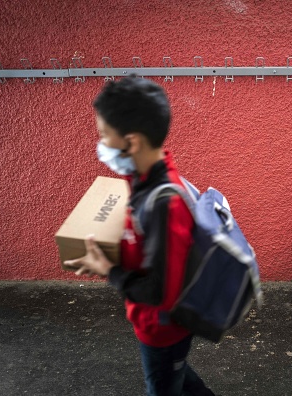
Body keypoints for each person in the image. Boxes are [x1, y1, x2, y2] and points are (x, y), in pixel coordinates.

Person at [64, 76, 216, 396]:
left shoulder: (164, 203)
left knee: (162, 384)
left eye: (104, 135)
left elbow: (159, 291)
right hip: (156, 325)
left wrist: (107, 269)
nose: (101, 144)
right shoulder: (144, 177)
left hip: (162, 328)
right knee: (176, 374)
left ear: (131, 142)